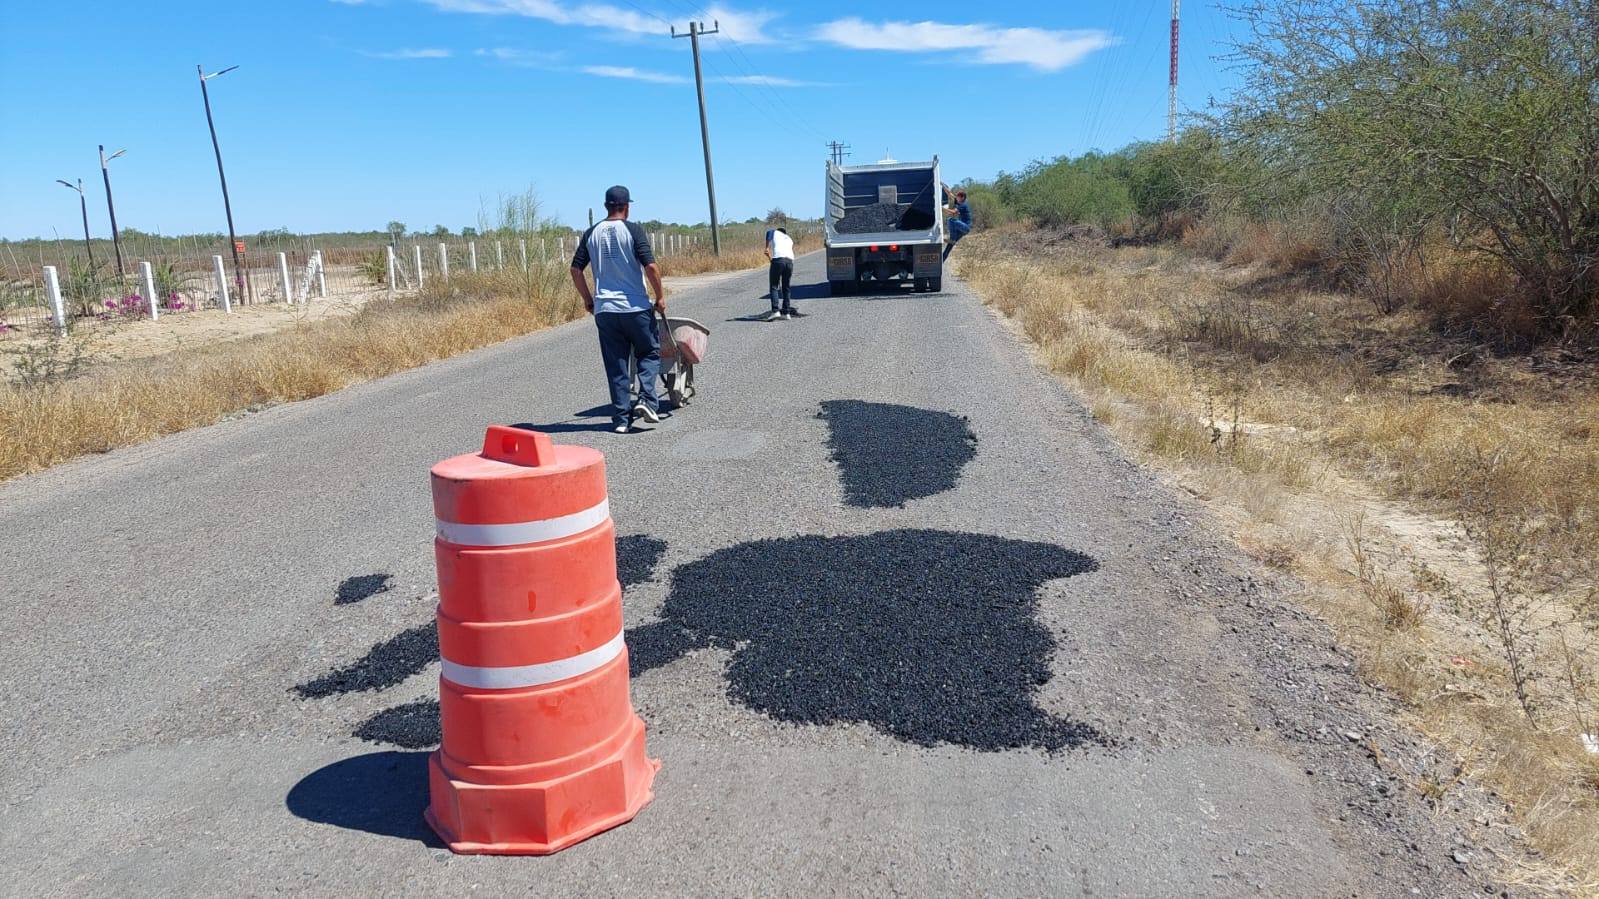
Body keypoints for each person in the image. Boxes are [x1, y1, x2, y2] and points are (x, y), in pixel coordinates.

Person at [570, 185, 667, 434]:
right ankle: (646, 401)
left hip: (605, 309)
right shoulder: (632, 230)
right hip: (635, 306)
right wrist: (660, 296)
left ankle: (622, 419)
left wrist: (588, 299)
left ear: (605, 206)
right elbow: (652, 268)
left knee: (616, 363)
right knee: (648, 352)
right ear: (627, 206)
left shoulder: (591, 233)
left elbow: (575, 269)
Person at [763, 226, 801, 320]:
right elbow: (782, 258)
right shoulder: (789, 239)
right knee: (786, 287)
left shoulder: (774, 232)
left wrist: (767, 248)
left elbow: (769, 232)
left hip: (778, 260)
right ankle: (786, 312)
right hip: (789, 262)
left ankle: (775, 311)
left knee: (774, 286)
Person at [942, 183, 972, 260]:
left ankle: (952, 239)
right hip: (962, 229)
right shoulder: (959, 201)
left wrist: (943, 208)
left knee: (950, 220)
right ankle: (942, 260)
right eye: (957, 196)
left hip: (965, 227)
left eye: (958, 196)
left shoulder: (963, 205)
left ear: (962, 198)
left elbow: (952, 212)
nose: (957, 197)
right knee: (950, 244)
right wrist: (943, 185)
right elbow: (950, 193)